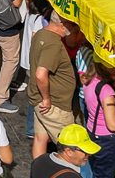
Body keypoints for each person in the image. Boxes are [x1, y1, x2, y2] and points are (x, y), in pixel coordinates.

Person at [28, 15, 83, 158]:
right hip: (54, 105)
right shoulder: (53, 44)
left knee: (41, 138)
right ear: (63, 25)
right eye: (72, 24)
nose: (74, 28)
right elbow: (41, 74)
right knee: (71, 149)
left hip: (39, 100)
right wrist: (47, 99)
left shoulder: (41, 33)